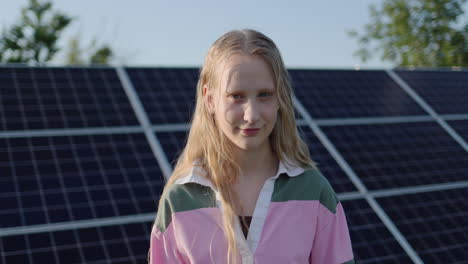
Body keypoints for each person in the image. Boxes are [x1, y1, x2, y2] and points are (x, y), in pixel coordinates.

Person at [148, 29, 354, 264]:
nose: (252, 114)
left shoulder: (314, 193)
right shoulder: (179, 200)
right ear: (210, 99)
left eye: (265, 94)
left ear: (280, 99)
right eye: (236, 96)